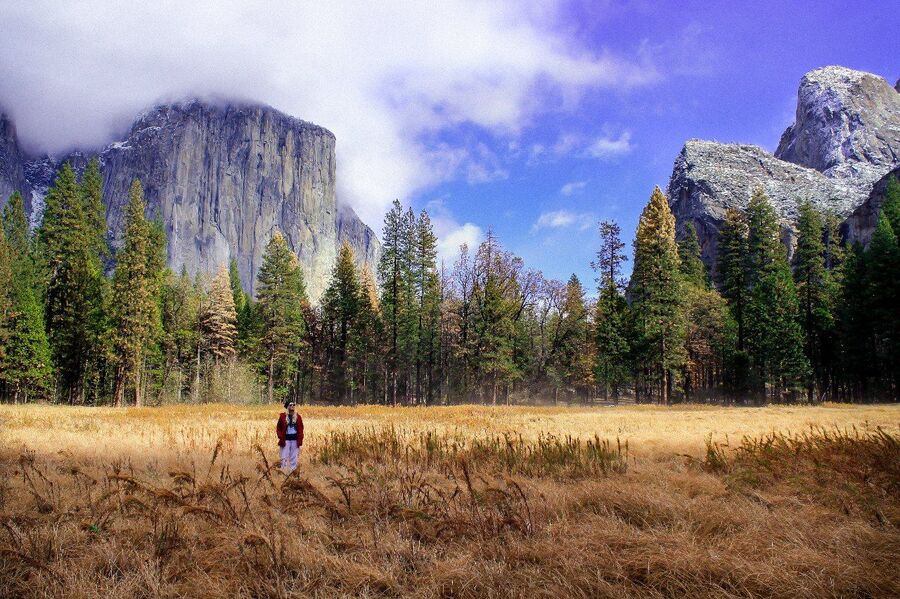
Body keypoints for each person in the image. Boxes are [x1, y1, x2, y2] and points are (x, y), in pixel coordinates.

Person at [276, 400, 303, 473]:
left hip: (295, 439)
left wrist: (300, 438)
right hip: (285, 439)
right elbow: (278, 428)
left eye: (293, 405)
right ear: (287, 407)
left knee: (294, 456)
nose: (292, 406)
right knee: (284, 456)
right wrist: (281, 436)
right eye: (290, 405)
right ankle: (283, 471)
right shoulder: (282, 417)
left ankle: (293, 471)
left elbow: (301, 428)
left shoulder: (298, 417)